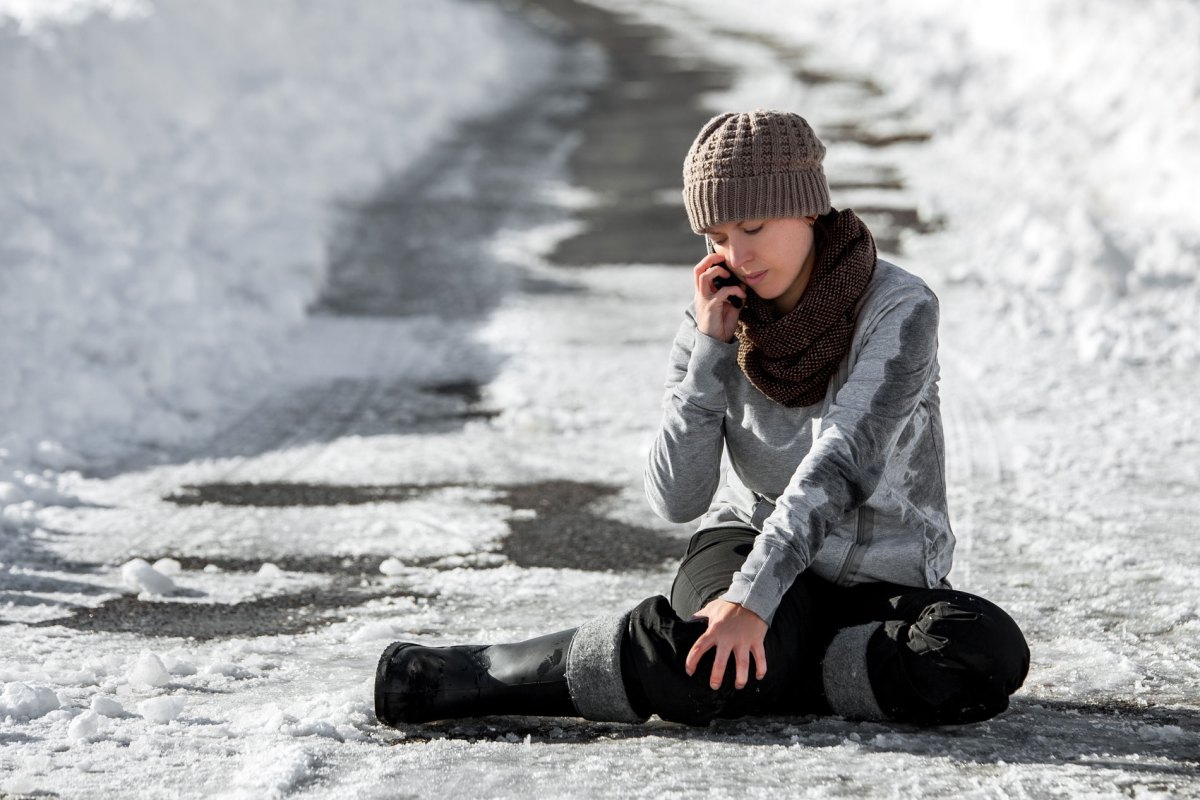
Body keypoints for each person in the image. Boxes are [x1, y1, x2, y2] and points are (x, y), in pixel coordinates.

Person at [374, 110, 1029, 728]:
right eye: (717, 237)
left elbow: (840, 464)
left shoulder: (900, 308)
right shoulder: (717, 315)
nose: (737, 255)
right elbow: (678, 497)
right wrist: (711, 353)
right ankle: (487, 673)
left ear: (807, 207)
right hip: (745, 543)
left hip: (880, 583)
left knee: (979, 652)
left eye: (753, 228)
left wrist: (750, 608)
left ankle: (774, 667)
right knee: (709, 658)